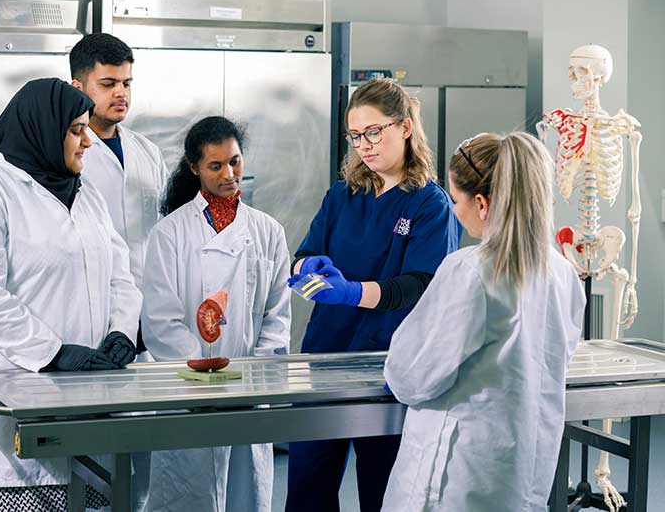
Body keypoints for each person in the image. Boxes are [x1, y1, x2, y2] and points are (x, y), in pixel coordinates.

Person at [0, 78, 142, 512]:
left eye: (86, 128)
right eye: (76, 130)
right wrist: (52, 352)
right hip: (17, 396)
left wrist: (122, 330)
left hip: (88, 398)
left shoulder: (86, 194)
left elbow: (119, 275)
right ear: (43, 131)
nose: (88, 141)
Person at [382, 132, 586, 511]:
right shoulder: (563, 274)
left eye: (456, 201)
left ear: (481, 203)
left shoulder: (470, 271)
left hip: (456, 476)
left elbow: (412, 378)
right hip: (519, 470)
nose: (454, 212)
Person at [286, 77, 461, 512]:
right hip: (324, 360)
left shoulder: (429, 204)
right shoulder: (343, 194)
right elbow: (306, 251)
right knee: (308, 485)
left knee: (383, 490)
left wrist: (350, 293)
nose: (363, 145)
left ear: (404, 127)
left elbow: (419, 287)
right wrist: (305, 267)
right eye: (355, 135)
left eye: (373, 132)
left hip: (388, 367)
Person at [142, 116, 291, 512]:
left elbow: (277, 314)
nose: (229, 174)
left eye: (235, 162)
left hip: (249, 390)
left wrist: (258, 370)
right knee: (189, 493)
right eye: (215, 165)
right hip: (187, 389)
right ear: (194, 168)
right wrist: (201, 371)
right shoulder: (170, 234)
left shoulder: (268, 231)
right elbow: (160, 318)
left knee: (246, 493)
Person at [70, 32, 169, 511]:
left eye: (127, 82)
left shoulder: (147, 150)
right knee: (94, 445)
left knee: (144, 440)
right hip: (96, 317)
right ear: (78, 85)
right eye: (108, 83)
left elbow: (161, 233)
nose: (121, 93)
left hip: (148, 317)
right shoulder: (69, 153)